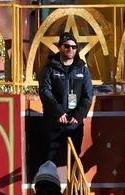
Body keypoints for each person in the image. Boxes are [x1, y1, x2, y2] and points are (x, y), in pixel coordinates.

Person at [38, 32, 94, 163]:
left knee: (74, 161)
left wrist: (78, 115)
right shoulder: (49, 68)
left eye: (74, 47)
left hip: (75, 124)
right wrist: (58, 112)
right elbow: (45, 91)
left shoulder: (82, 69)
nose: (70, 50)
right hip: (54, 123)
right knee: (49, 162)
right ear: (60, 47)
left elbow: (88, 95)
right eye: (67, 46)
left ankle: (73, 184)